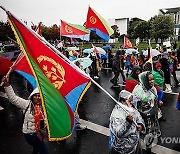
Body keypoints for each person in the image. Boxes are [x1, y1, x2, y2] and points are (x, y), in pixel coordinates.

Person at [2, 75, 49, 154]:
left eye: (39, 96)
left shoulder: (45, 107)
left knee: (36, 149)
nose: (37, 98)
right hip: (29, 135)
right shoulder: (27, 104)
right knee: (44, 151)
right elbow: (13, 99)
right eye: (35, 96)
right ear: (32, 96)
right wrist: (7, 85)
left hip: (40, 134)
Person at [132, 71, 161, 154]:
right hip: (143, 117)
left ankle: (149, 148)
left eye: (153, 79)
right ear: (144, 80)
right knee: (144, 134)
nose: (152, 81)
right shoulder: (138, 89)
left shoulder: (153, 88)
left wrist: (158, 102)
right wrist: (141, 99)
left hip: (152, 117)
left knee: (150, 134)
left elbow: (155, 98)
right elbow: (133, 100)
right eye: (150, 80)